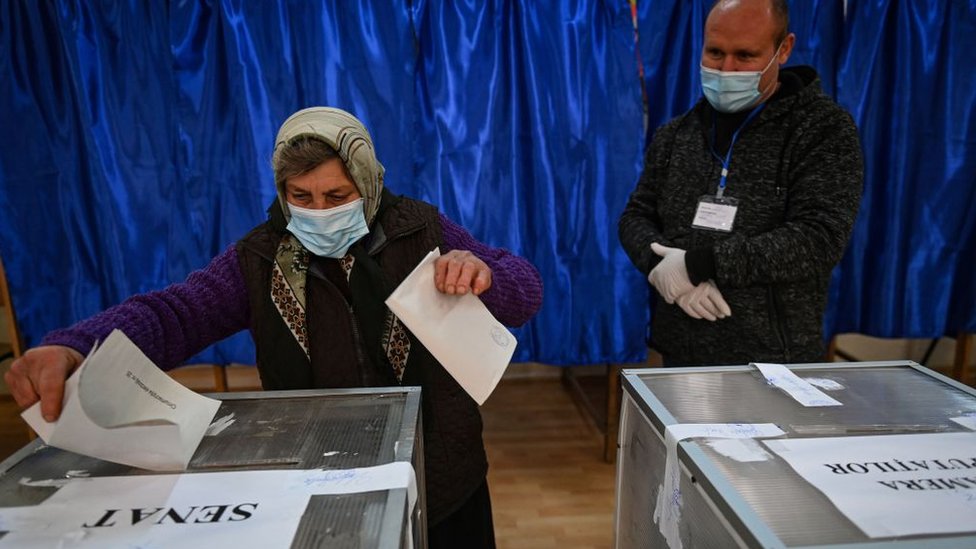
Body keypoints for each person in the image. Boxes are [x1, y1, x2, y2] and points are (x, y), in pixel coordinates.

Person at [6, 106, 543, 548]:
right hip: (317, 480)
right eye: (300, 198)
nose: (319, 212)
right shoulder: (260, 257)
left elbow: (526, 291)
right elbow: (174, 312)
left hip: (445, 471)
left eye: (337, 197)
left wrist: (484, 276)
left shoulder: (420, 229)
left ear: (369, 183)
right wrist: (72, 346)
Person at [618, 0, 863, 367]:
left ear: (784, 49)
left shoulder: (822, 130)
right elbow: (635, 217)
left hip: (775, 360)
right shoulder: (678, 134)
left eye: (745, 56)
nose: (726, 69)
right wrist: (661, 268)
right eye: (715, 52)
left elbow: (818, 238)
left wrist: (698, 265)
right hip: (680, 351)